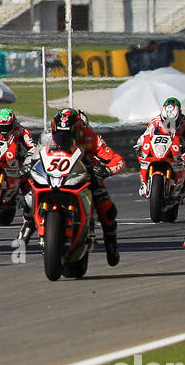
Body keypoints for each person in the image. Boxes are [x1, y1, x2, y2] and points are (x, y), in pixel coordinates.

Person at [38, 109, 124, 266]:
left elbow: (115, 159)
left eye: (68, 134)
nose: (63, 138)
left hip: (85, 177)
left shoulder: (90, 136)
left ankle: (112, 248)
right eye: (59, 133)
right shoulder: (46, 138)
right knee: (28, 194)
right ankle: (28, 225)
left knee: (106, 208)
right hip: (55, 176)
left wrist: (107, 169)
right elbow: (34, 154)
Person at [133, 96, 185, 196]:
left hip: (179, 151)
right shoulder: (155, 122)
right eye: (166, 120)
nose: (169, 123)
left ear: (179, 115)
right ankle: (144, 184)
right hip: (159, 149)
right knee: (142, 157)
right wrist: (139, 144)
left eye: (173, 121)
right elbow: (146, 135)